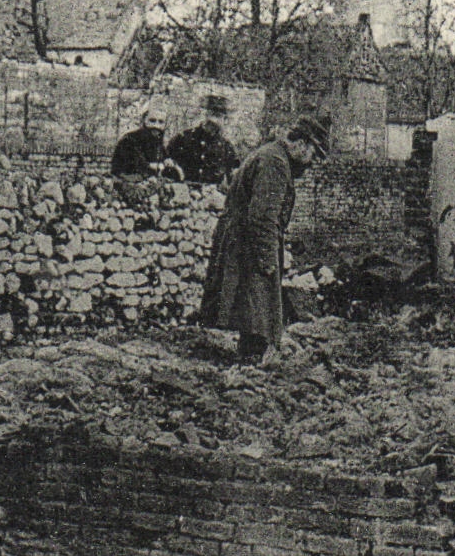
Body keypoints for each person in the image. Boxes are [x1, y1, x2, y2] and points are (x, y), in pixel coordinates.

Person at [199, 114, 330, 365]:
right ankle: (251, 360)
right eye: (314, 154)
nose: (312, 162)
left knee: (253, 305)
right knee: (258, 303)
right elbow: (262, 217)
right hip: (249, 241)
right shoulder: (275, 163)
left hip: (245, 238)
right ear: (301, 144)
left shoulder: (273, 155)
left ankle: (249, 355)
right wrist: (269, 258)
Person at [165, 94, 240, 186]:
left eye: (218, 116)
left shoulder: (227, 147)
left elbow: (234, 179)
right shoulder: (183, 138)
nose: (213, 120)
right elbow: (167, 161)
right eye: (211, 114)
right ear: (204, 114)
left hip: (212, 193)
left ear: (224, 119)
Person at [110, 109, 181, 179]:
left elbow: (166, 161)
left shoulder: (158, 143)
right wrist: (158, 166)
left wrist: (170, 163)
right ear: (144, 121)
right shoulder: (129, 140)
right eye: (152, 121)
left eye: (161, 122)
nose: (156, 125)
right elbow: (138, 166)